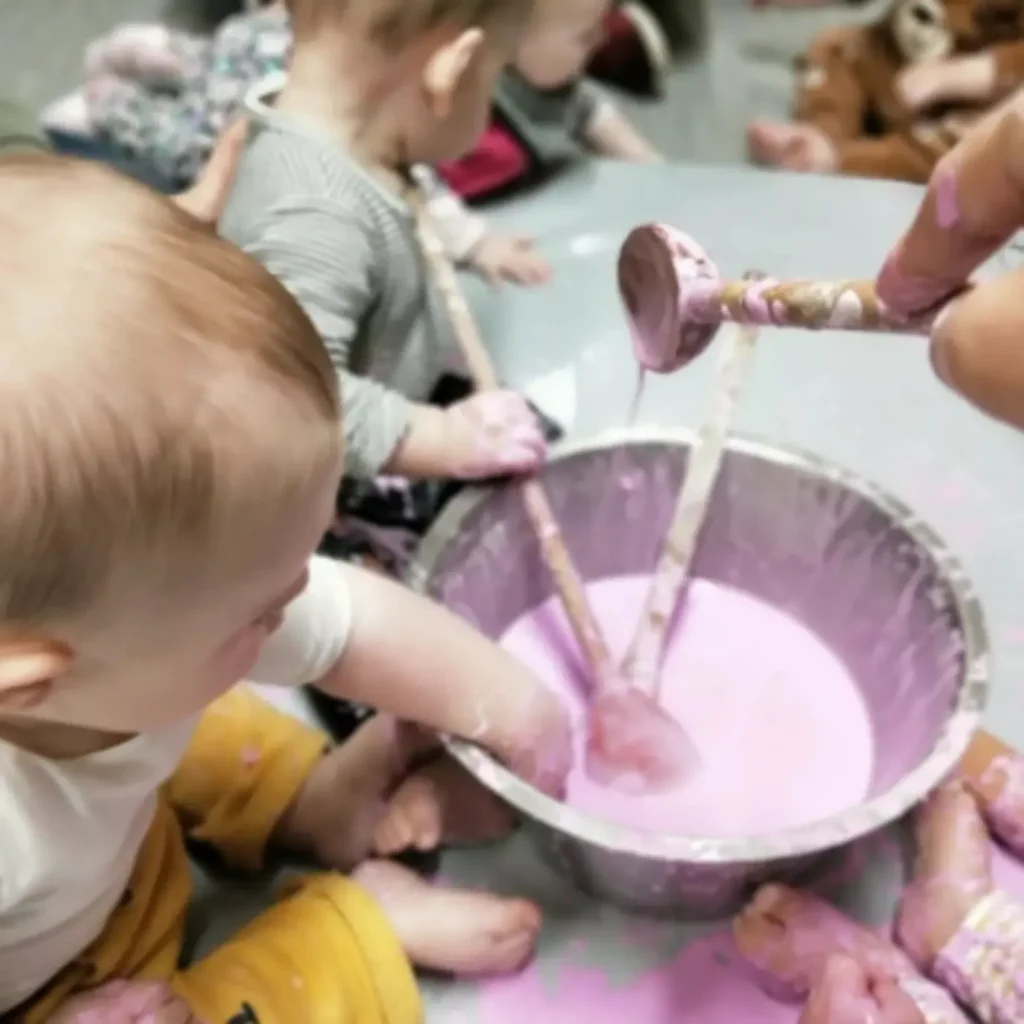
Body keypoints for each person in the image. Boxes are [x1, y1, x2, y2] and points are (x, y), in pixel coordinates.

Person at [0, 138, 573, 1022]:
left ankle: (307, 803)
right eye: (268, 603)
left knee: (196, 698)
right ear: (37, 679)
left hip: (115, 828)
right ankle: (356, 929)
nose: (300, 599)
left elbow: (348, 624)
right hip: (60, 981)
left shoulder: (104, 641)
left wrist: (516, 706)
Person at [43, 2, 551, 289]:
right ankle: (107, 96)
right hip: (227, 106)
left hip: (270, 37)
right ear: (452, 73)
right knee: (173, 131)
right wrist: (477, 243)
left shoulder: (381, 102)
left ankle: (159, 54)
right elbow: (424, 187)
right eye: (496, 76)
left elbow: (423, 188)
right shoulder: (316, 197)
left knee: (207, 64)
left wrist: (476, 243)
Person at [438, 0, 663, 202]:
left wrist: (657, 172)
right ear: (512, 40)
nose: (600, 39)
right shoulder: (459, 107)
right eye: (585, 36)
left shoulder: (554, 87)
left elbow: (594, 116)